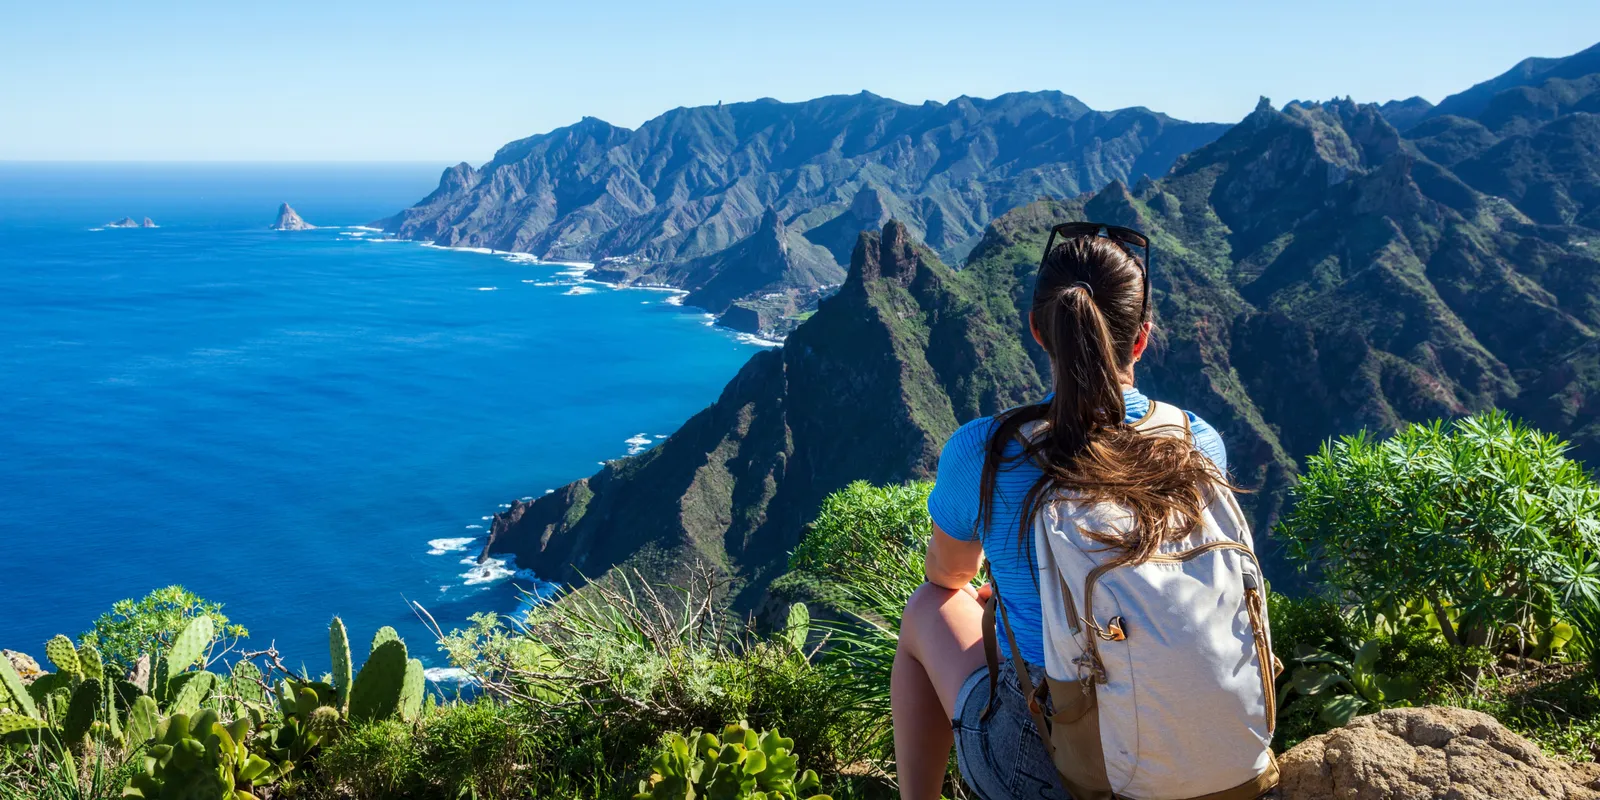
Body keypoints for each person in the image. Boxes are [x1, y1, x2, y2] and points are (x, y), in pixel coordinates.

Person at [890, 223, 1231, 800]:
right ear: (1141, 340)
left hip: (1051, 764)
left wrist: (1015, 595)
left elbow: (947, 576)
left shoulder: (987, 451)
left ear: (1037, 331)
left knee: (929, 606)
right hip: (1201, 744)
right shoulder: (1196, 441)